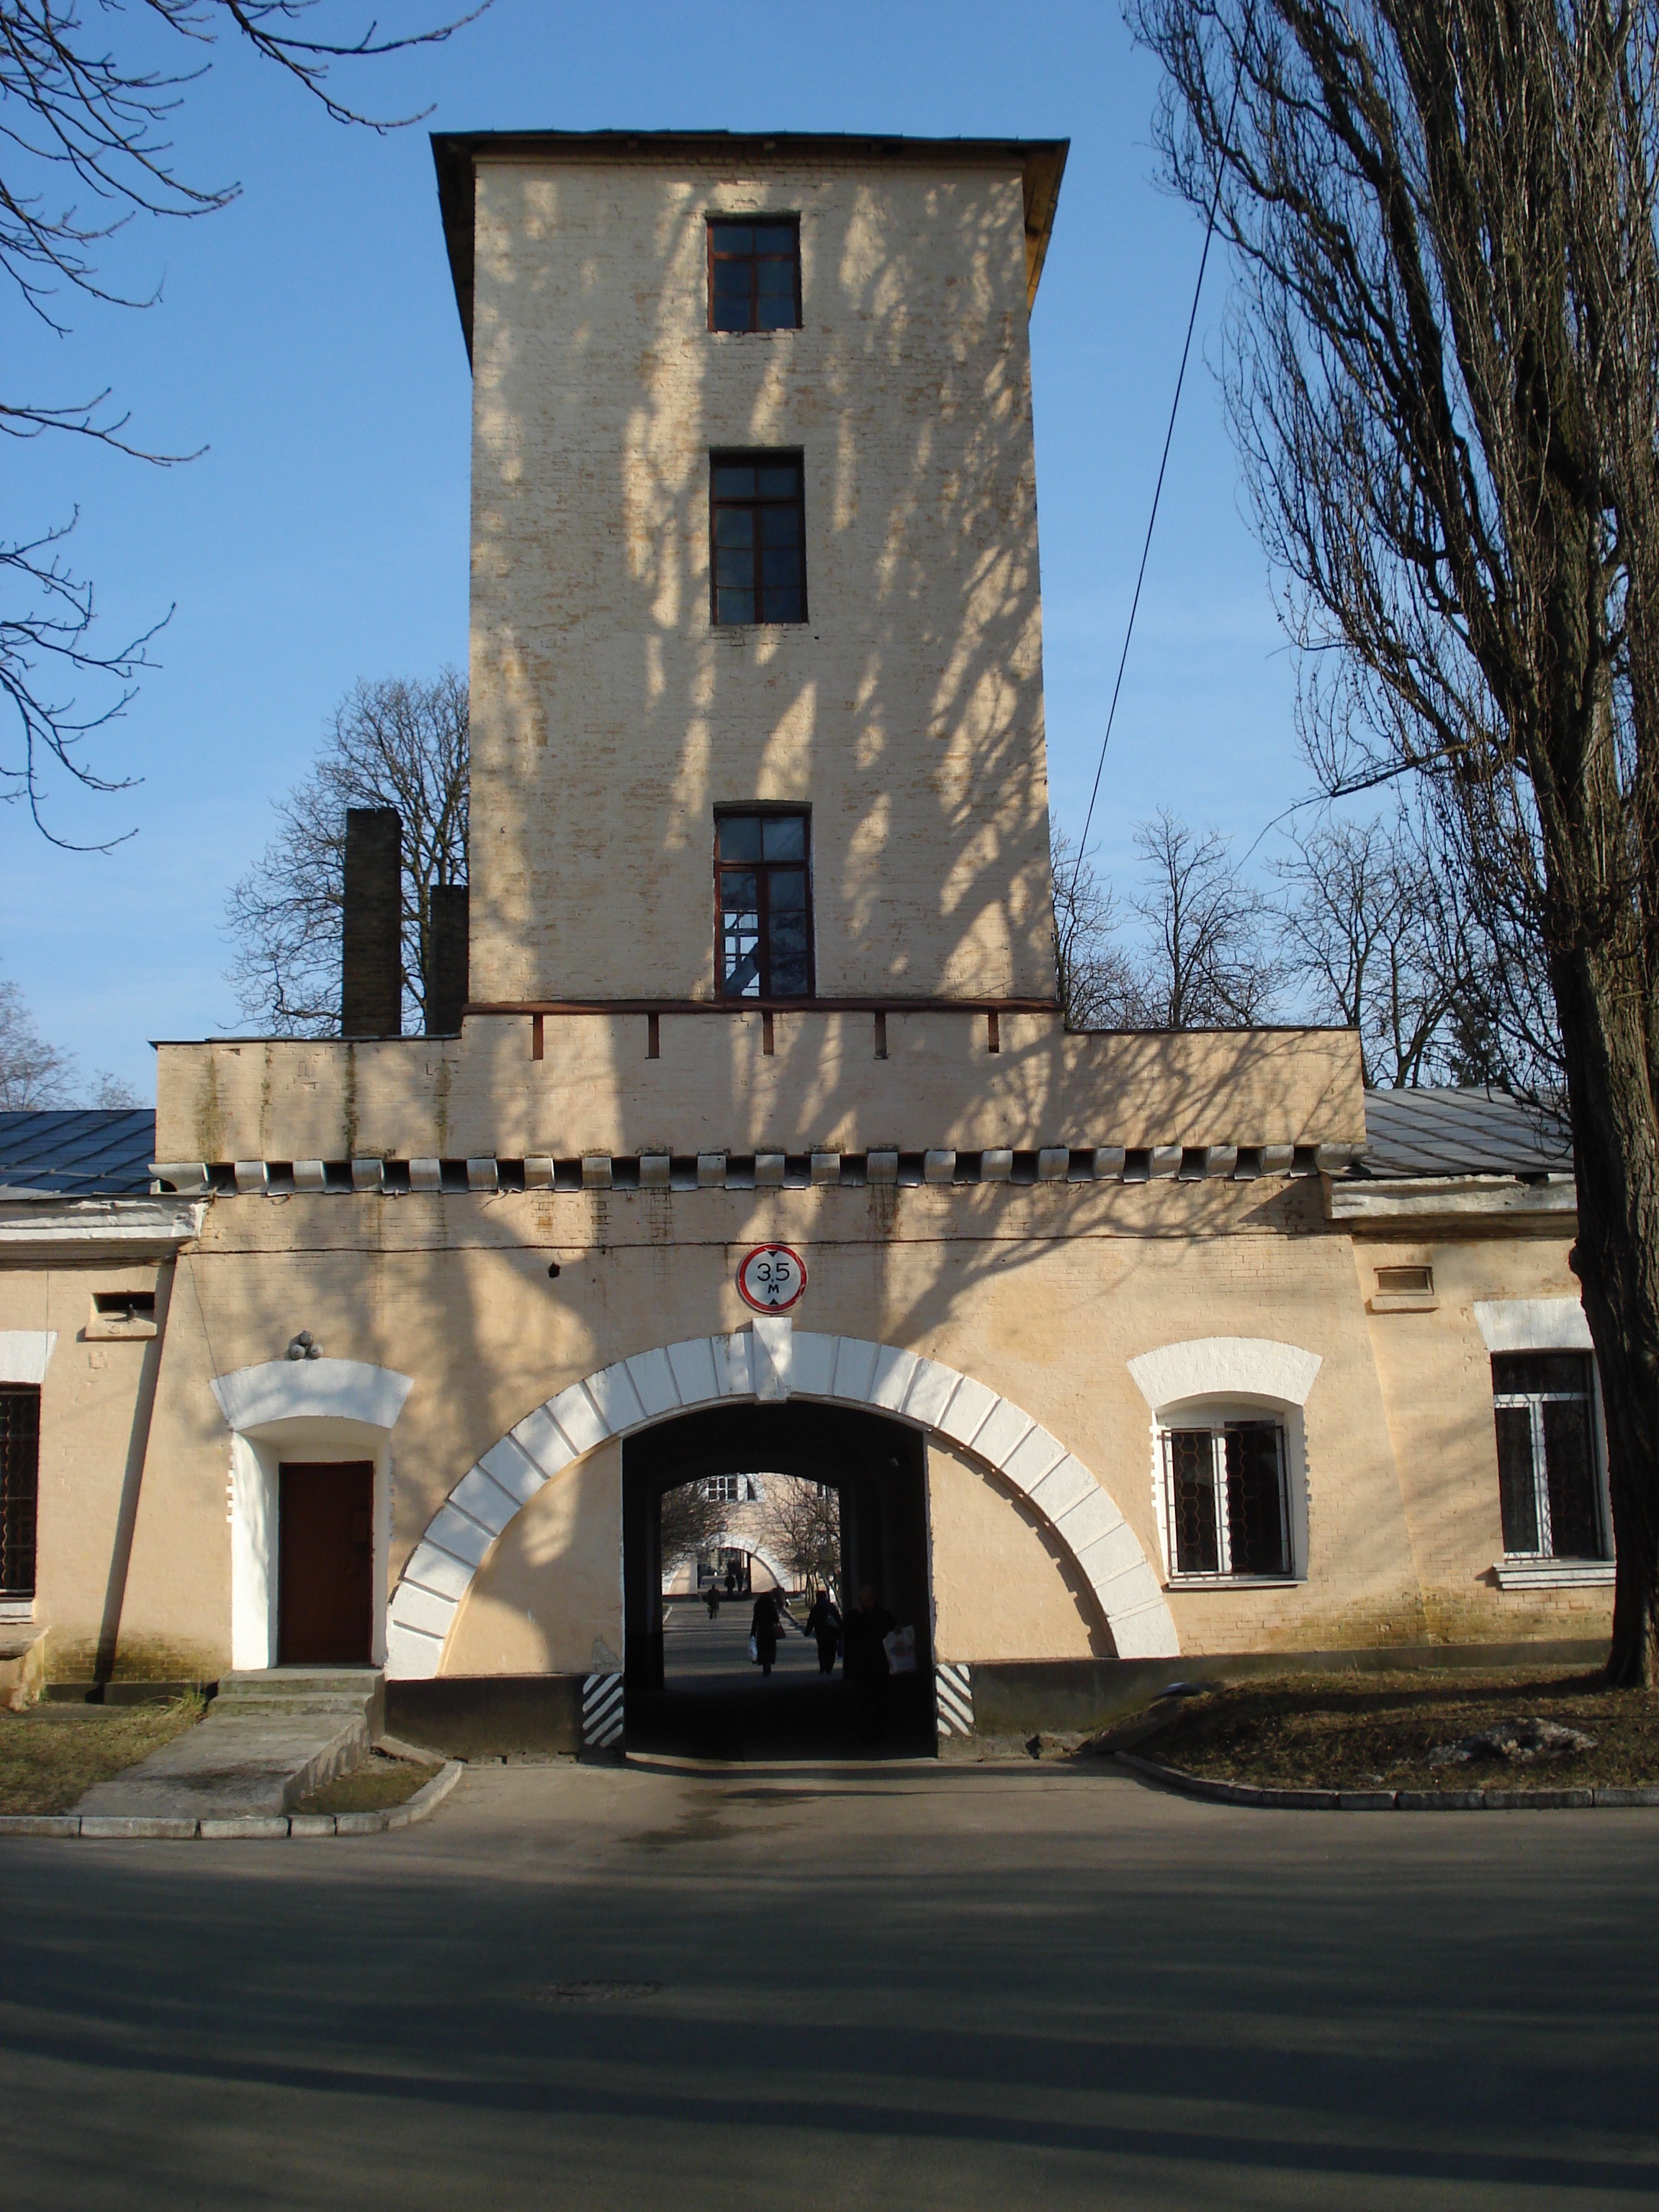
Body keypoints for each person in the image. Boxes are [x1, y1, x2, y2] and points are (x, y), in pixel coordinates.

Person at [841, 1582, 896, 1743]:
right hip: (862, 1666)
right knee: (863, 1701)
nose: (867, 1604)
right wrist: (858, 1615)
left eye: (869, 1600)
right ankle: (864, 1733)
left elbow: (893, 1629)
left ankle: (880, 1731)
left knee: (880, 1700)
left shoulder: (883, 1616)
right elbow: (845, 1630)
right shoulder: (855, 1616)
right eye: (863, 1601)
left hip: (880, 1665)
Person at [804, 1588, 842, 1676]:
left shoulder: (815, 1609)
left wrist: (807, 1632)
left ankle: (823, 1665)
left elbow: (811, 1622)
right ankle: (829, 1666)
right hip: (832, 1632)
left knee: (822, 1649)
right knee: (832, 1649)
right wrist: (841, 1628)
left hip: (821, 1633)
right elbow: (838, 1618)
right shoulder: (831, 1607)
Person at [750, 1589, 781, 1677]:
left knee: (762, 1648)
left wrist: (753, 1632)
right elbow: (776, 1618)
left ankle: (764, 1664)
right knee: (770, 1648)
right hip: (771, 1630)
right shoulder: (772, 1605)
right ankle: (769, 1664)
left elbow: (755, 1620)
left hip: (762, 1630)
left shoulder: (758, 1606)